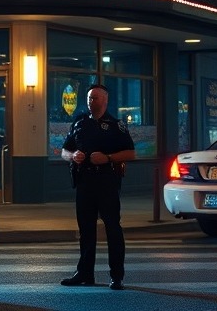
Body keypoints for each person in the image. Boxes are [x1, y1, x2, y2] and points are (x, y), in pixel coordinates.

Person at [59, 83, 135, 291]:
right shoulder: (80, 122)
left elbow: (130, 153)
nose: (91, 101)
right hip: (84, 182)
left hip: (107, 181)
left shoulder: (115, 125)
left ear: (105, 100)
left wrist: (108, 157)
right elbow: (65, 150)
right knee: (86, 230)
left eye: (95, 98)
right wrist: (73, 156)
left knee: (112, 228)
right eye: (89, 98)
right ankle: (85, 273)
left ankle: (116, 276)